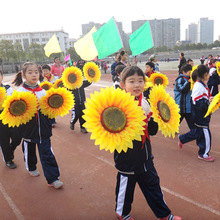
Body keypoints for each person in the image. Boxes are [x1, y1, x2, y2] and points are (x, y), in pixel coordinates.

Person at [115, 66, 182, 220]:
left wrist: (153, 124)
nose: (137, 85)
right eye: (132, 81)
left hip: (145, 155)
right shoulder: (117, 105)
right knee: (126, 188)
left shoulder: (145, 102)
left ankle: (164, 214)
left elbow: (150, 129)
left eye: (140, 81)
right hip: (127, 157)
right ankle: (122, 212)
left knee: (153, 185)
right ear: (123, 85)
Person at [12, 62, 63, 188]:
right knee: (29, 151)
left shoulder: (43, 91)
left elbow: (48, 109)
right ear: (23, 75)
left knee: (47, 153)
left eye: (36, 72)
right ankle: (31, 167)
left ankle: (53, 178)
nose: (34, 75)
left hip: (44, 130)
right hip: (28, 130)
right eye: (30, 72)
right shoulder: (20, 92)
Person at [178, 65, 214, 162]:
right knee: (205, 133)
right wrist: (208, 102)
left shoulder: (201, 84)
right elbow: (197, 103)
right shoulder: (199, 86)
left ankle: (182, 138)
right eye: (208, 74)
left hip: (199, 115)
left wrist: (209, 100)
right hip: (200, 116)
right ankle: (203, 154)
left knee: (198, 132)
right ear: (205, 74)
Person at [0, 69, 22, 169]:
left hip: (11, 118)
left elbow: (15, 100)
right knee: (3, 141)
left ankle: (11, 148)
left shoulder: (8, 88)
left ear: (2, 76)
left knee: (17, 138)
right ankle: (8, 160)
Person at [174, 64, 195, 130]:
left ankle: (194, 133)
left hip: (188, 107)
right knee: (176, 123)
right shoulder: (180, 80)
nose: (190, 74)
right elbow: (182, 90)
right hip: (181, 106)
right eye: (189, 73)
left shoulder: (191, 80)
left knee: (192, 125)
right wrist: (189, 82)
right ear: (183, 72)